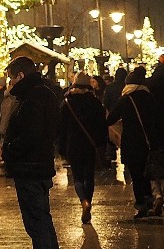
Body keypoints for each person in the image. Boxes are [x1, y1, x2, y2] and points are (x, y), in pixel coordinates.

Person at [2, 56, 61, 249]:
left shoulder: (34, 97)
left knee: (38, 225)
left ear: (20, 76)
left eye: (10, 78)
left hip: (30, 168)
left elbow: (32, 135)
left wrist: (9, 150)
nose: (9, 83)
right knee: (42, 224)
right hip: (36, 167)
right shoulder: (40, 93)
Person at [106, 67, 157, 218]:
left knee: (136, 174)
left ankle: (141, 204)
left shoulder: (126, 99)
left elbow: (110, 119)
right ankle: (150, 200)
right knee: (147, 172)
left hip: (131, 142)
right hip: (148, 140)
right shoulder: (149, 97)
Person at [58, 73, 108, 224]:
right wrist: (101, 143)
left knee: (77, 177)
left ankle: (83, 201)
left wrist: (61, 147)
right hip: (90, 144)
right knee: (89, 176)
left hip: (73, 144)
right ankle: (89, 202)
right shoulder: (94, 102)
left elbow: (61, 127)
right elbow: (102, 125)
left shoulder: (66, 102)